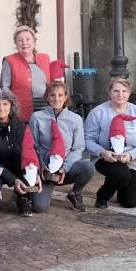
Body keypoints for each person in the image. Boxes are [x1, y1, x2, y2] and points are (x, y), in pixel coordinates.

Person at [85, 78, 136, 209]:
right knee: (121, 174)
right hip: (105, 158)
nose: (120, 94)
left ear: (129, 93)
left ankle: (118, 183)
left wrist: (131, 155)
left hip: (133, 160)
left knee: (130, 203)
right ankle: (103, 196)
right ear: (109, 92)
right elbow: (88, 139)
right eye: (116, 91)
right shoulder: (98, 112)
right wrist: (102, 152)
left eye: (124, 91)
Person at [29, 82, 93, 212]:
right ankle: (30, 191)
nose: (56, 99)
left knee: (87, 167)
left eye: (60, 95)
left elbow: (78, 148)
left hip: (66, 168)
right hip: (45, 169)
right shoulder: (37, 117)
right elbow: (32, 146)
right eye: (52, 95)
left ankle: (75, 193)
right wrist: (41, 167)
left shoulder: (75, 119)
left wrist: (64, 168)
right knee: (39, 207)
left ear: (65, 97)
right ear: (47, 97)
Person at [0, 89, 36, 216]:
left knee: (39, 203)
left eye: (5, 104)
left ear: (11, 106)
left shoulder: (21, 126)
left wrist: (35, 170)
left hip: (17, 166)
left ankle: (23, 197)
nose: (1, 108)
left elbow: (30, 151)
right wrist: (13, 180)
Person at [1, 25, 51, 120]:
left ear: (34, 42)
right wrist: (12, 106)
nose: (24, 43)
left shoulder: (45, 58)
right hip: (21, 110)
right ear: (15, 43)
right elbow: (5, 87)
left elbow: (51, 84)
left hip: (45, 108)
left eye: (28, 39)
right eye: (20, 40)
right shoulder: (9, 60)